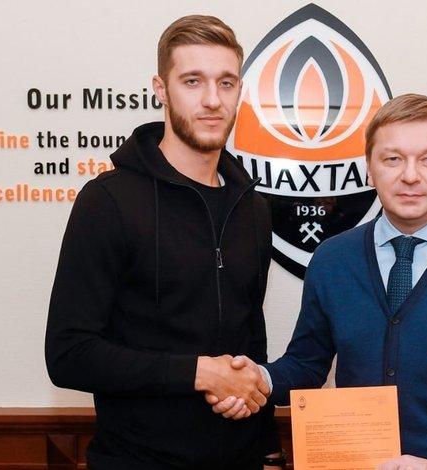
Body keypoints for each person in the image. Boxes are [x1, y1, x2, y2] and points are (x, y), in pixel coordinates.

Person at [210, 94, 427, 470]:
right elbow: (306, 365)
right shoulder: (333, 260)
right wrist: (258, 378)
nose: (410, 175)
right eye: (393, 159)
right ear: (369, 169)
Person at [45, 15, 281, 470]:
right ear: (161, 89)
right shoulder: (108, 201)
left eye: (226, 83)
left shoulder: (253, 207)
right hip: (135, 460)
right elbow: (68, 354)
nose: (212, 100)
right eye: (193, 81)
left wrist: (265, 439)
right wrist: (198, 373)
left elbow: (251, 338)